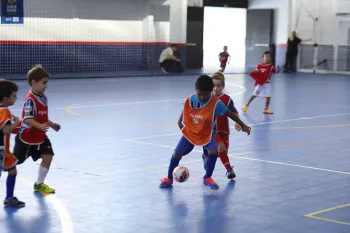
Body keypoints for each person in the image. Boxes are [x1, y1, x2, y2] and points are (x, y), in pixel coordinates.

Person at [159, 75, 251, 190]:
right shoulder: (190, 100)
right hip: (192, 131)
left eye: (205, 94)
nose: (202, 97)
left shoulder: (216, 103)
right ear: (195, 90)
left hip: (208, 132)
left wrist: (243, 125)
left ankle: (207, 177)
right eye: (199, 94)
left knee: (213, 151)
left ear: (211, 90)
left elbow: (230, 114)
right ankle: (169, 178)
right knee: (176, 153)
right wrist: (180, 123)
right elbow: (185, 112)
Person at [13, 65, 61, 194]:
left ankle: (39, 184)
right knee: (16, 161)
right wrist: (40, 126)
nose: (46, 86)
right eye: (43, 83)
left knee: (48, 156)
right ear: (33, 82)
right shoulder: (30, 100)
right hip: (27, 137)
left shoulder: (43, 98)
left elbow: (43, 117)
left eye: (47, 83)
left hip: (40, 137)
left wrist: (51, 124)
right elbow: (28, 119)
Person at [202, 72, 240, 179]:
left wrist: (237, 122)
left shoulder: (227, 99)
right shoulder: (207, 98)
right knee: (221, 148)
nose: (216, 88)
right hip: (212, 132)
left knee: (221, 153)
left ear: (223, 86)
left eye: (218, 86)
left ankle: (206, 156)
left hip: (224, 130)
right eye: (213, 85)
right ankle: (229, 170)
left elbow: (234, 112)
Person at [0, 79, 24, 207]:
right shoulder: (4, 111)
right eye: (14, 96)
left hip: (5, 152)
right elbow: (6, 130)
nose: (16, 98)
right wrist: (16, 122)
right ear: (5, 98)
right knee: (12, 171)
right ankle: (9, 198)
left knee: (12, 171)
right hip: (1, 152)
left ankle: (9, 198)